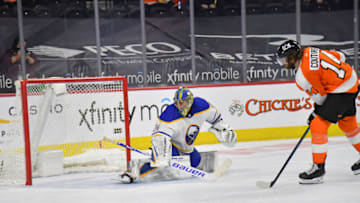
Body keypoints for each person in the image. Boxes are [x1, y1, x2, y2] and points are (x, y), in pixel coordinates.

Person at [276, 39, 360, 184]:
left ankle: (318, 169)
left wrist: (316, 114)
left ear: (292, 57)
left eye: (284, 60)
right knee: (348, 124)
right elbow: (340, 56)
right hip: (352, 80)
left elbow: (321, 98)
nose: (284, 64)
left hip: (341, 90)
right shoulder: (310, 50)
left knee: (318, 125)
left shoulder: (302, 76)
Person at [118, 86, 237, 183]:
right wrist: (161, 152)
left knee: (196, 161)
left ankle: (163, 170)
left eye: (182, 103)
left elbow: (216, 118)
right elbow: (159, 135)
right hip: (171, 145)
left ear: (189, 102)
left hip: (186, 148)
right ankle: (133, 173)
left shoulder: (202, 106)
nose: (179, 106)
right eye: (177, 103)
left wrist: (224, 129)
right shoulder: (170, 114)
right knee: (159, 160)